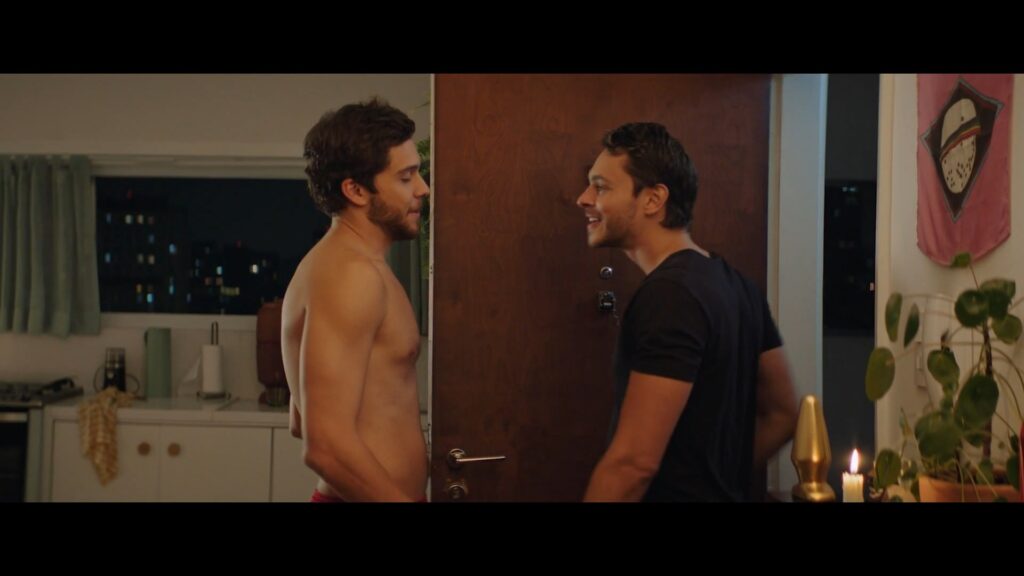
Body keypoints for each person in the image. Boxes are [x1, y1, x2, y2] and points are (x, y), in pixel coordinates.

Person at [577, 122, 798, 502]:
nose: (583, 199)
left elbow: (632, 464)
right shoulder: (737, 285)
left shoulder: (670, 296)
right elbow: (783, 414)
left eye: (600, 187)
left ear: (652, 199)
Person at [282, 97, 429, 502]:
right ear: (356, 190)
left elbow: (300, 420)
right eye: (406, 178)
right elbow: (324, 448)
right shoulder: (350, 275)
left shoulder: (345, 265)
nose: (423, 189)